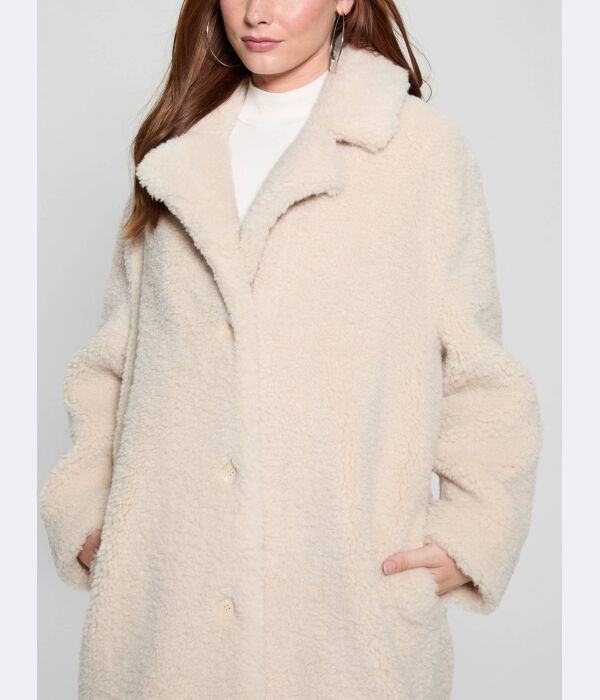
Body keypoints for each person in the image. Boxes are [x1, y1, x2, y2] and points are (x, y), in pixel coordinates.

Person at [40, 1, 543, 698]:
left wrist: (472, 536)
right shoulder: (176, 153)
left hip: (341, 616)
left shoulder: (418, 152)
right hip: (166, 615)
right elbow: (111, 365)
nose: (258, 13)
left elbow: (480, 375)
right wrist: (88, 519)